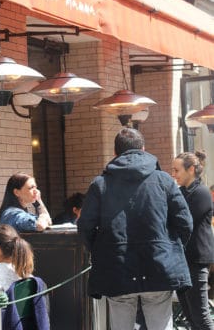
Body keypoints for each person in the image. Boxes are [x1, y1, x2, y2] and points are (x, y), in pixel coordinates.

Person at [78, 127, 193, 330]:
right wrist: (170, 248)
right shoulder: (164, 180)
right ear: (143, 149)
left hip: (117, 265)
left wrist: (101, 249)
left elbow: (85, 226)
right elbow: (185, 222)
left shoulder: (100, 184)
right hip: (159, 264)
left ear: (115, 153)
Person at [172, 151, 214, 329]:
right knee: (190, 315)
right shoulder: (180, 192)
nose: (173, 175)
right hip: (182, 261)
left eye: (176, 170)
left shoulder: (202, 193)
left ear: (190, 169)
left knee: (200, 315)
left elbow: (183, 222)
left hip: (196, 260)